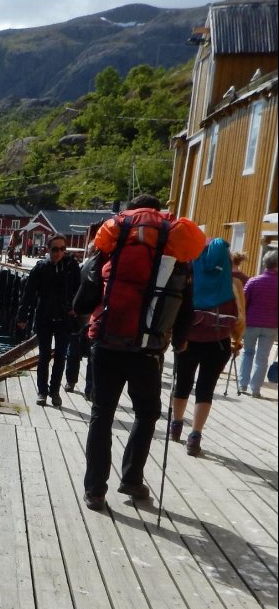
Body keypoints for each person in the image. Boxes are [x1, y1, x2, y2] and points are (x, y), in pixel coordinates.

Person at [80, 194, 205, 511]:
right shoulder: (174, 251)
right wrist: (180, 342)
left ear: (128, 214)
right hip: (148, 349)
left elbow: (81, 302)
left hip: (107, 343)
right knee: (147, 413)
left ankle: (95, 490)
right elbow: (185, 308)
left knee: (101, 415)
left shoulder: (113, 247)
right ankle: (132, 479)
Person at [169, 238, 244, 456]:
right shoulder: (233, 283)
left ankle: (176, 423)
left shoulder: (190, 279)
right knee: (206, 388)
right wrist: (236, 339)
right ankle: (195, 435)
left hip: (187, 339)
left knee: (183, 383)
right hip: (218, 342)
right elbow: (240, 319)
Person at [17, 233, 81, 407]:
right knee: (44, 357)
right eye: (55, 249)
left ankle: (54, 391)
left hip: (64, 319)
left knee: (60, 357)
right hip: (44, 317)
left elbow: (80, 289)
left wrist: (77, 309)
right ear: (48, 249)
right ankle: (42, 391)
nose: (58, 253)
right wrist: (22, 317)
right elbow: (28, 294)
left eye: (62, 249)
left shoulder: (71, 267)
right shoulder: (41, 268)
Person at [64, 220, 105, 396]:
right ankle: (89, 389)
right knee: (91, 354)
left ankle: (70, 383)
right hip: (91, 314)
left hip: (80, 313)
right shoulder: (99, 265)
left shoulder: (84, 265)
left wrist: (74, 307)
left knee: (73, 351)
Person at [239, 249, 278, 398]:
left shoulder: (253, 281)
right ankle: (256, 389)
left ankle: (243, 384)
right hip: (271, 325)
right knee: (262, 357)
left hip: (251, 323)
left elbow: (243, 302)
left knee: (247, 353)